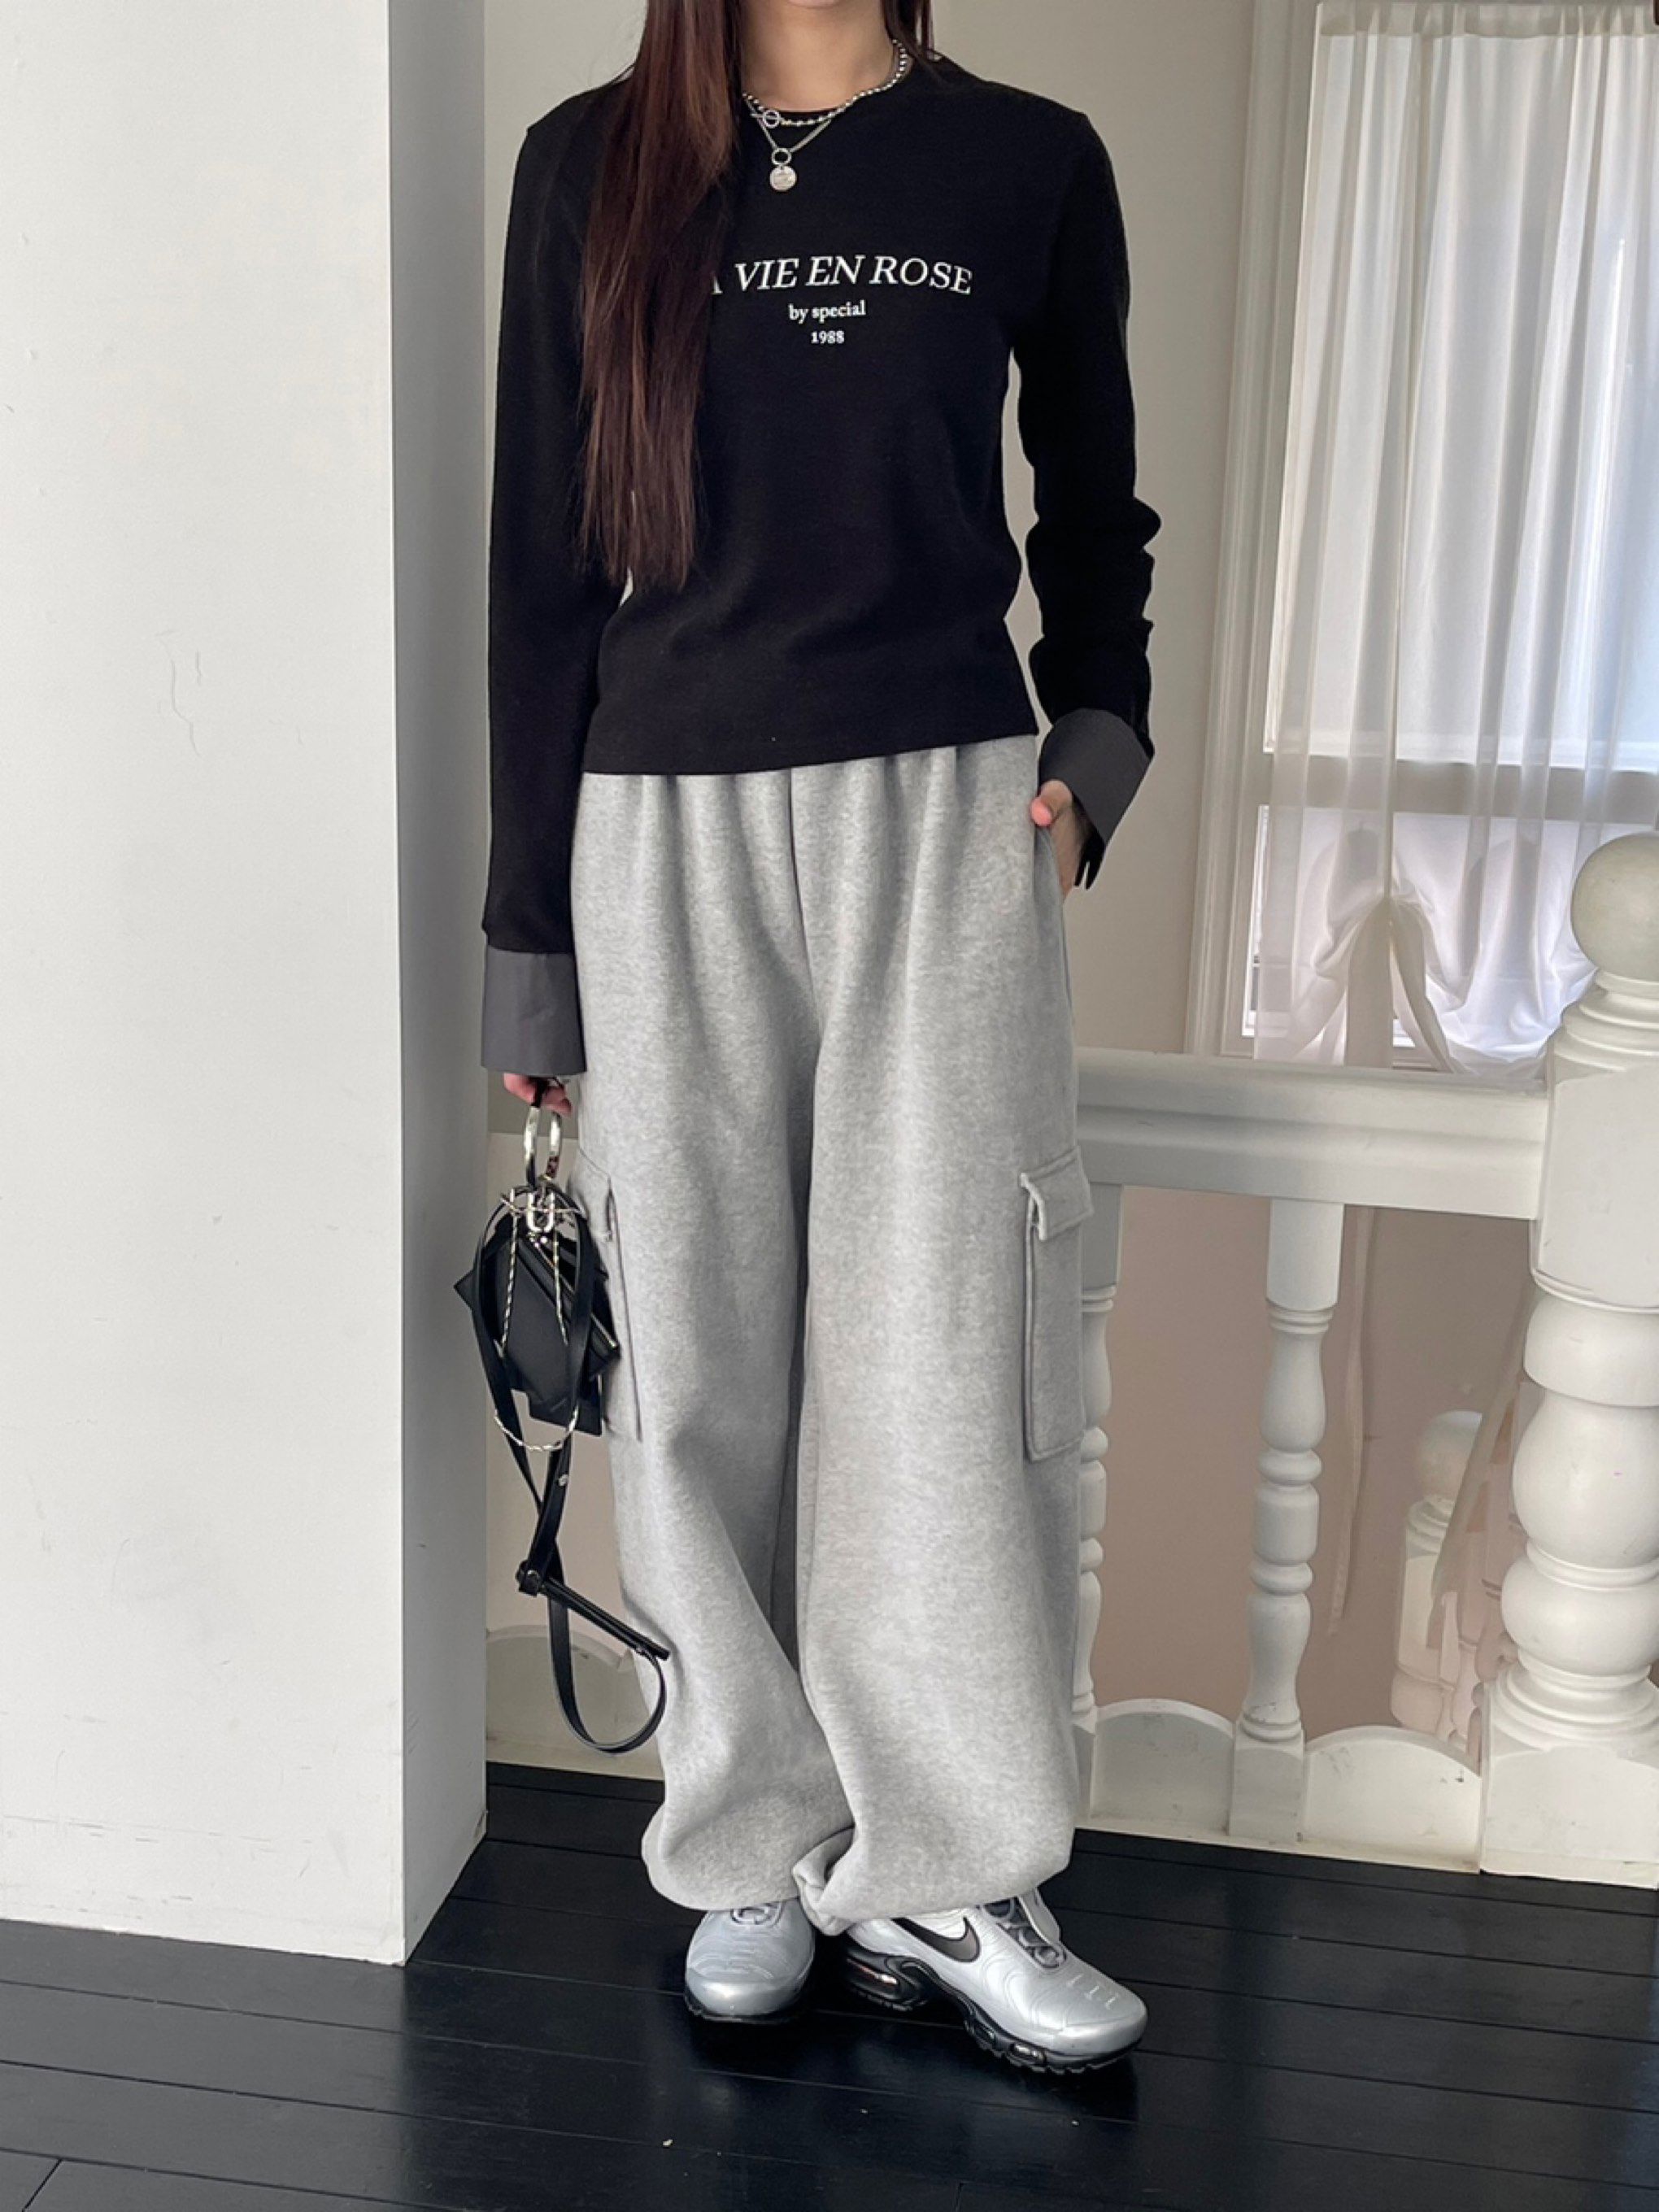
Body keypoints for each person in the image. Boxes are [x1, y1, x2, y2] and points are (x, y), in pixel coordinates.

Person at [481, 0, 1160, 2074]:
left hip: (942, 812)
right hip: (658, 816)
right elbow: (538, 570)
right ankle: (749, 1845)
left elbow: (1098, 498)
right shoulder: (588, 162)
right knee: (698, 1352)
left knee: (939, 1343)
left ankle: (948, 1863)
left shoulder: (1028, 159)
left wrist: (1103, 737)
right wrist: (529, 942)